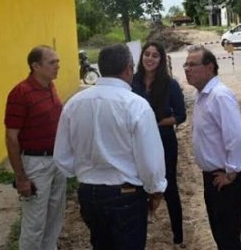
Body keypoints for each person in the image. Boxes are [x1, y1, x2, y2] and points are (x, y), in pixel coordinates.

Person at [53, 44, 167, 250]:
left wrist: (84, 172)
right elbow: (150, 160)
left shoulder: (74, 103)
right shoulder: (136, 105)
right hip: (126, 194)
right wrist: (156, 190)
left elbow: (62, 156)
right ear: (128, 69)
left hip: (89, 194)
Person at [184, 45, 241, 250]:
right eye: (186, 64)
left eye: (192, 64)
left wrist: (231, 174)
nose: (187, 69)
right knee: (221, 235)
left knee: (228, 238)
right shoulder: (203, 96)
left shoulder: (219, 96)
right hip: (213, 177)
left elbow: (237, 137)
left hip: (226, 179)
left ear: (210, 67)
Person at [4, 45, 66, 250]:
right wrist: (21, 178)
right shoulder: (20, 93)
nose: (57, 65)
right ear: (35, 66)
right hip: (35, 164)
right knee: (35, 223)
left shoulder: (50, 87)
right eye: (52, 62)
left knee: (54, 218)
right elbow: (11, 138)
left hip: (56, 161)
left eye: (57, 61)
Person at [132, 41, 186, 247]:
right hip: (138, 142)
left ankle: (178, 236)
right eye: (147, 54)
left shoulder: (170, 84)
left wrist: (156, 122)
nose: (150, 59)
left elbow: (181, 116)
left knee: (170, 186)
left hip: (164, 140)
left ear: (161, 60)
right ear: (141, 57)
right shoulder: (133, 82)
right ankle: (140, 232)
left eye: (155, 55)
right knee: (138, 186)